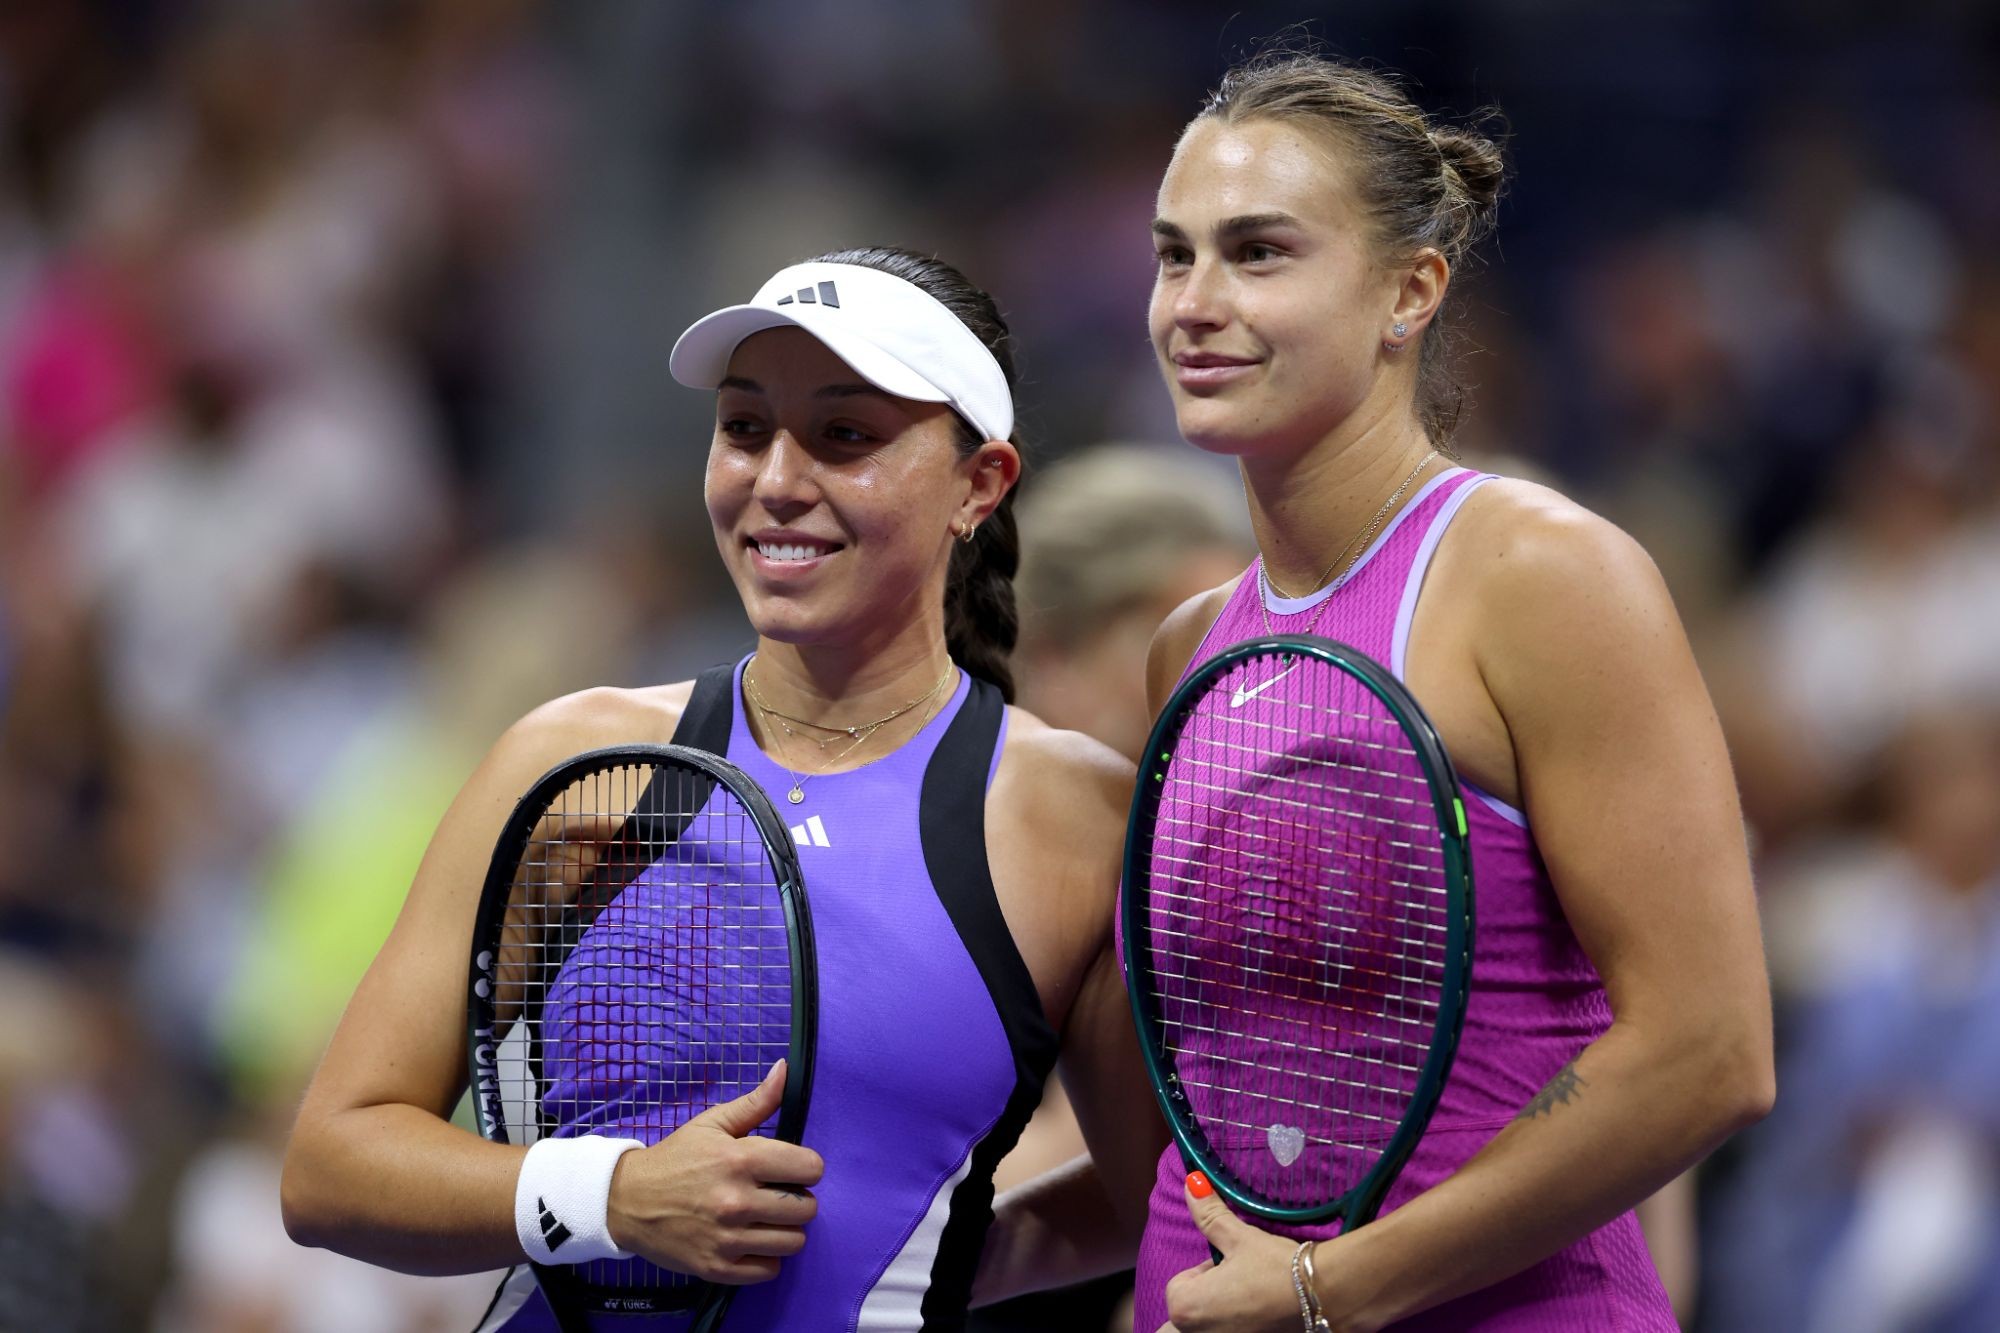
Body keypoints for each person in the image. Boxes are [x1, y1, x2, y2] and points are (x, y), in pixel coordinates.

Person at [280, 246, 1164, 1329]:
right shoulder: (567, 763)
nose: (776, 479)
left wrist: (933, 1257)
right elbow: (329, 1165)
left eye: (845, 435)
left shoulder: (1080, 815)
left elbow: (1150, 1198)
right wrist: (610, 1196)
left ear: (978, 484)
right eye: (745, 427)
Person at [1135, 53, 1775, 1331]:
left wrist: (1325, 1289)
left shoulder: (1542, 574)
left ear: (1409, 291)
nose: (1193, 304)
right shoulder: (1187, 646)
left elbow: (1708, 1052)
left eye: (1257, 253)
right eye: (1172, 256)